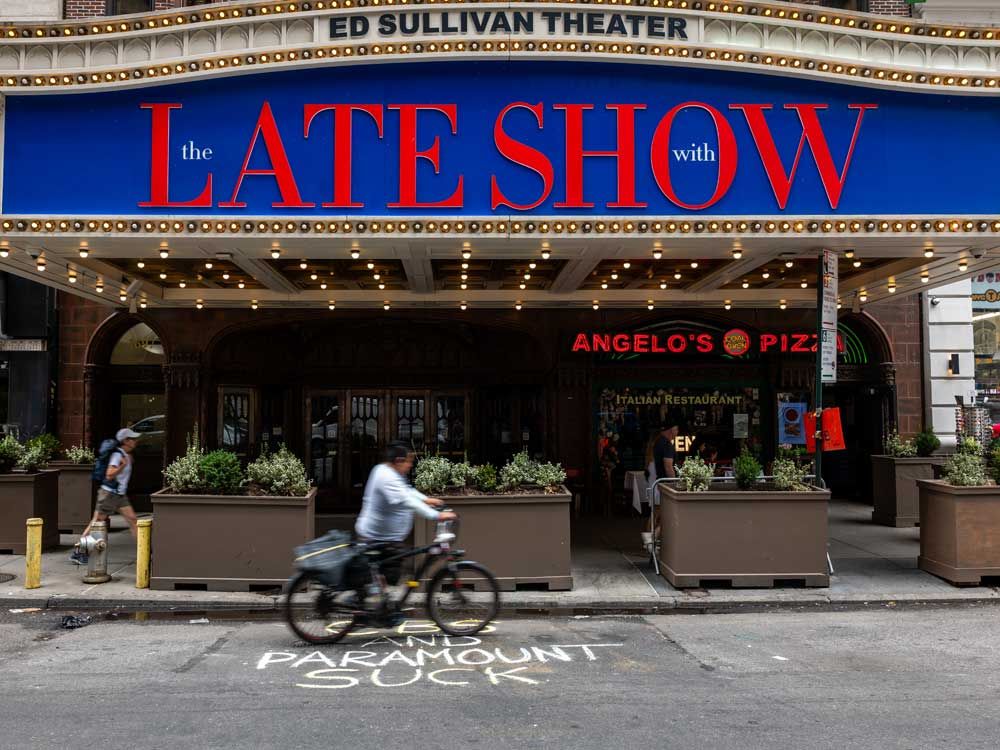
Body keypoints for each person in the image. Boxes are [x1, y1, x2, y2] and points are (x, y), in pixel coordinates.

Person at [355, 441, 457, 590]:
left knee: (386, 580)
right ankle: (366, 607)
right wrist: (436, 515)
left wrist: (426, 499)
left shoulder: (389, 471)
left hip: (387, 538)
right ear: (398, 461)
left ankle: (379, 605)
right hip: (377, 538)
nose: (410, 465)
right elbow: (407, 500)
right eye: (409, 462)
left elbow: (407, 490)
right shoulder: (386, 477)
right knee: (382, 579)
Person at [69, 428, 141, 565]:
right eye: (133, 439)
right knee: (96, 523)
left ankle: (144, 551)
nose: (136, 441)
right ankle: (78, 552)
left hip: (119, 494)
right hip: (109, 494)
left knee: (133, 520)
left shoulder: (125, 454)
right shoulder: (117, 456)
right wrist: (123, 465)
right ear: (126, 441)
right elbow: (109, 474)